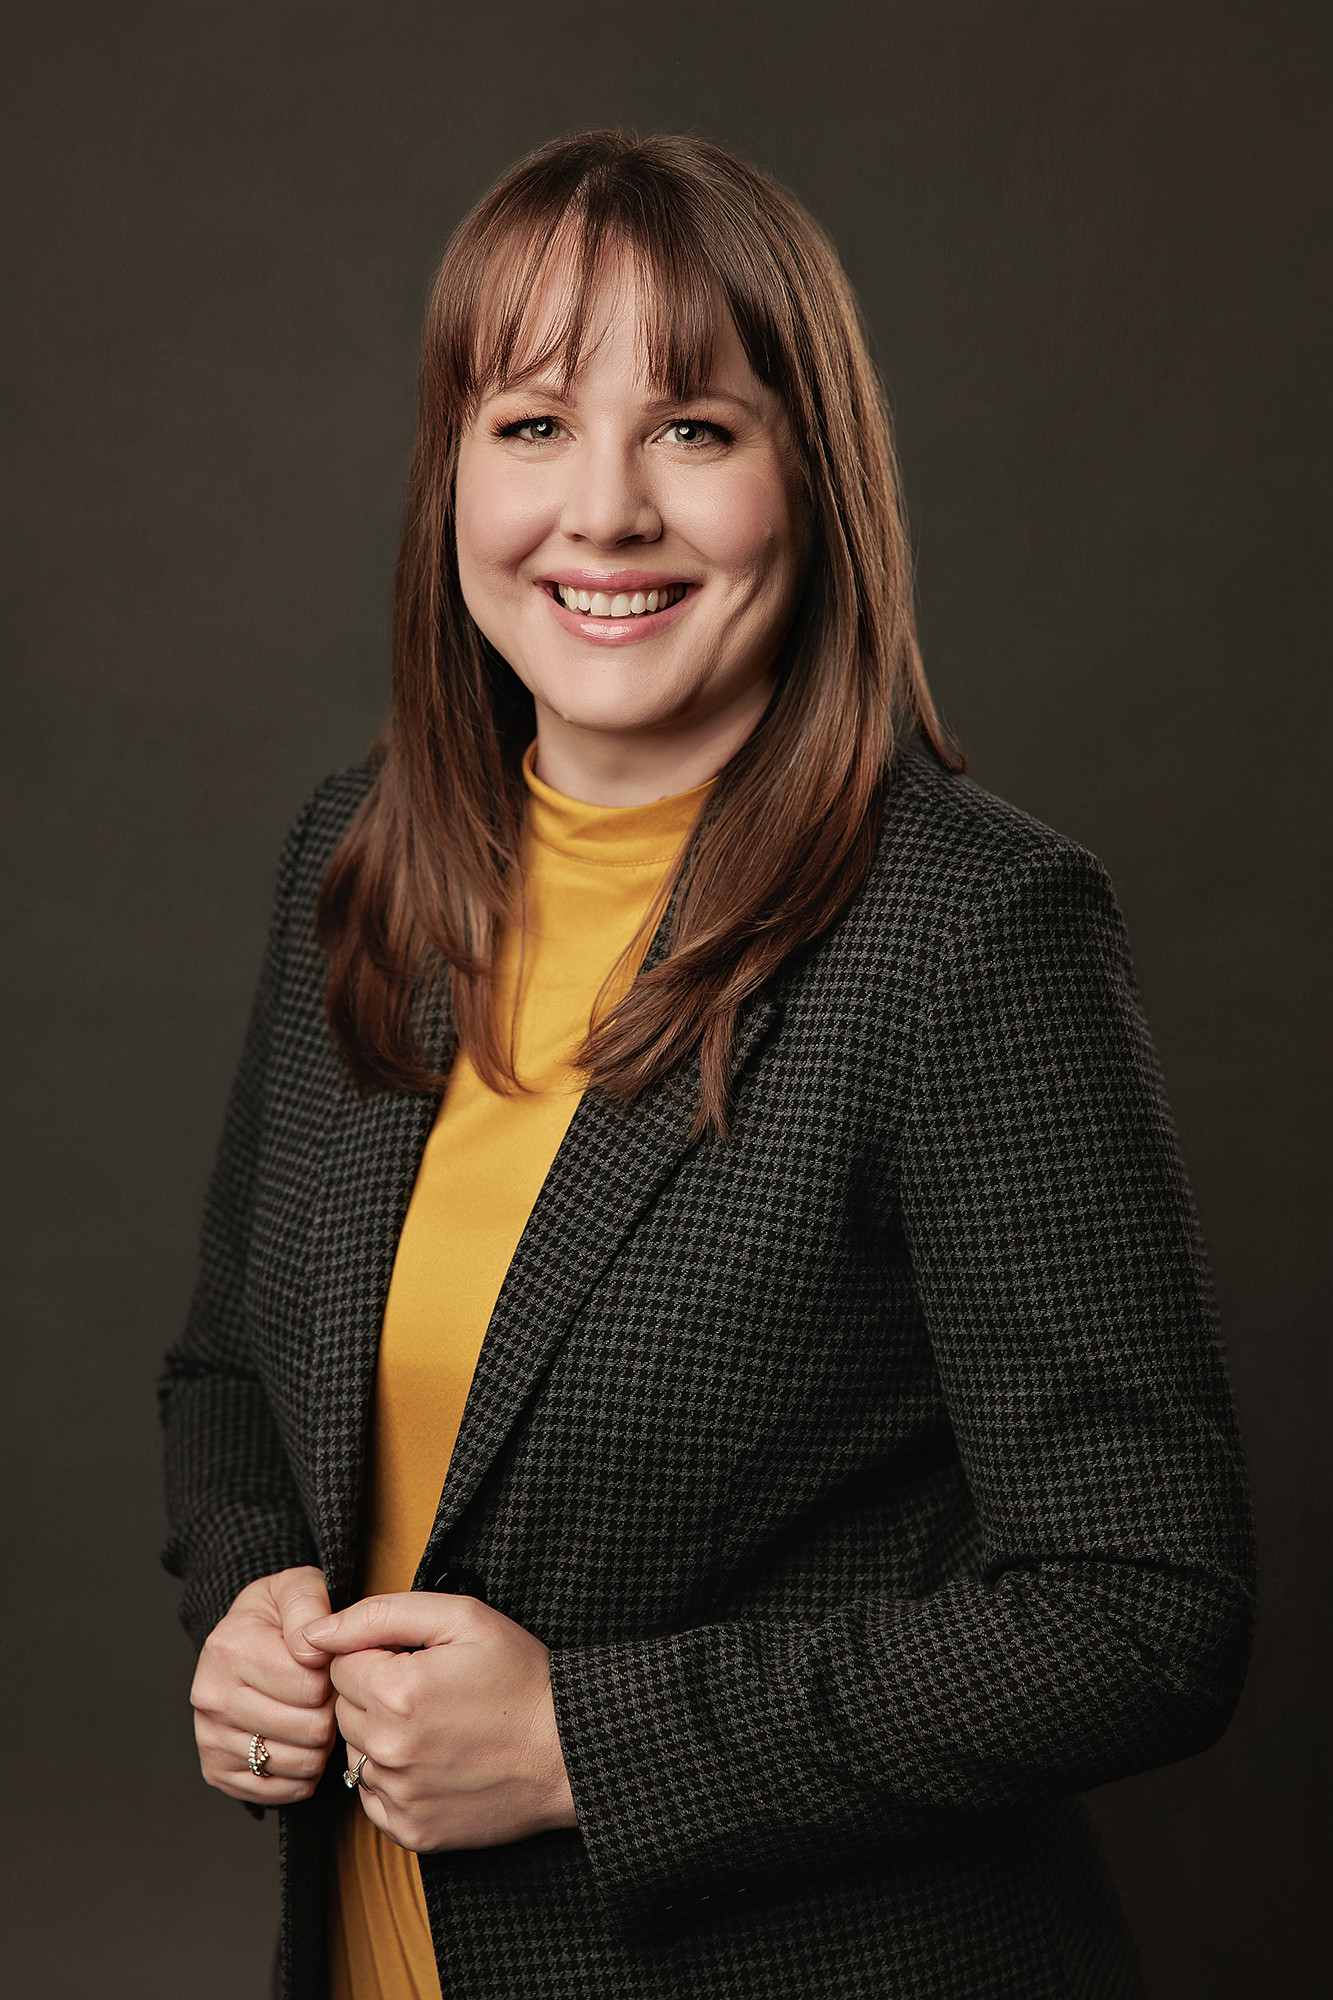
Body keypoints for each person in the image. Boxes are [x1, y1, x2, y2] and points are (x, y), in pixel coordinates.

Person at [160, 130, 1254, 2000]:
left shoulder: (972, 935)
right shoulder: (354, 866)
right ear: (449, 478)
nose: (602, 513)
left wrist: (592, 1740)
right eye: (527, 425)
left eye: (692, 429)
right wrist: (254, 1605)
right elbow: (230, 1386)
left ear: (809, 482)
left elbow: (1144, 1607)